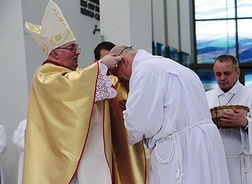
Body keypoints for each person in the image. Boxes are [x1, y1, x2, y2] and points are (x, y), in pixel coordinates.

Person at [23, 1, 121, 183]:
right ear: (55, 54)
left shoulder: (75, 74)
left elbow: (85, 85)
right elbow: (69, 89)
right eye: (71, 48)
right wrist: (100, 66)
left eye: (77, 48)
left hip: (86, 154)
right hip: (62, 157)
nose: (77, 53)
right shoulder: (44, 75)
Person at [106, 45, 230, 184]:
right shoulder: (175, 66)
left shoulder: (144, 70)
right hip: (204, 143)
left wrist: (130, 111)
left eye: (116, 74)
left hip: (183, 148)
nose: (121, 81)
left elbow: (140, 124)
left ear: (123, 62)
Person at [205, 54, 252, 184]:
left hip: (243, 165)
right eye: (218, 74)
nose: (222, 78)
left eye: (227, 73)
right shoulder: (206, 97)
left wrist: (245, 122)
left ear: (238, 72)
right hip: (216, 163)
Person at [93, 41, 148, 184]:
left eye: (114, 62)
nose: (112, 67)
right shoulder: (93, 83)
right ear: (98, 62)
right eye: (107, 62)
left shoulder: (131, 80)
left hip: (133, 145)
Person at [11, 119, 27, 184]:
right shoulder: (23, 123)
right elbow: (15, 140)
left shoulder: (48, 121)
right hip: (25, 159)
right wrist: (26, 135)